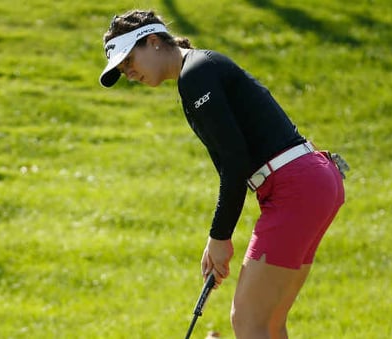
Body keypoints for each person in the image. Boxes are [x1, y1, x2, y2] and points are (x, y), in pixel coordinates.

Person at [98, 10, 346, 339]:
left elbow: (234, 162)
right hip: (311, 182)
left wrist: (219, 238)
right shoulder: (199, 72)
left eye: (129, 61)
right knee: (269, 324)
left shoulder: (196, 75)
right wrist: (217, 240)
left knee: (247, 321)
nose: (128, 73)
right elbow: (233, 163)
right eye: (122, 70)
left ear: (154, 42)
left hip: (296, 187)